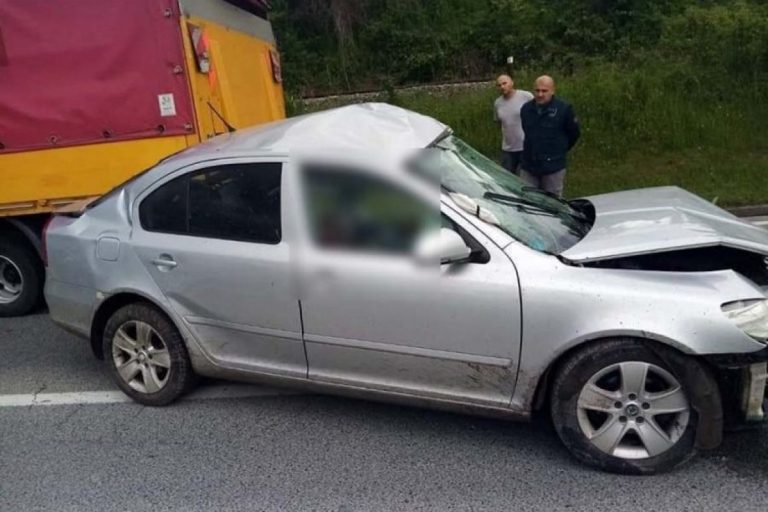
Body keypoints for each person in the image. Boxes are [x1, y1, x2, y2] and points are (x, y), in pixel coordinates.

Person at [520, 75, 580, 197]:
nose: (540, 94)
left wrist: (560, 149)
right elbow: (526, 131)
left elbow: (574, 133)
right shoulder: (526, 109)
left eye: (544, 91)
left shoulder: (564, 109)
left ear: (552, 91)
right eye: (537, 90)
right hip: (529, 165)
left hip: (553, 166)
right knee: (527, 199)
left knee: (552, 201)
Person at [493, 74, 533, 175]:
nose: (502, 87)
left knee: (524, 177)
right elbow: (498, 122)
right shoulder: (497, 103)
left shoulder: (526, 96)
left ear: (512, 83)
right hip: (508, 149)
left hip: (525, 147)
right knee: (507, 177)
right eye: (499, 85)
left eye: (504, 83)